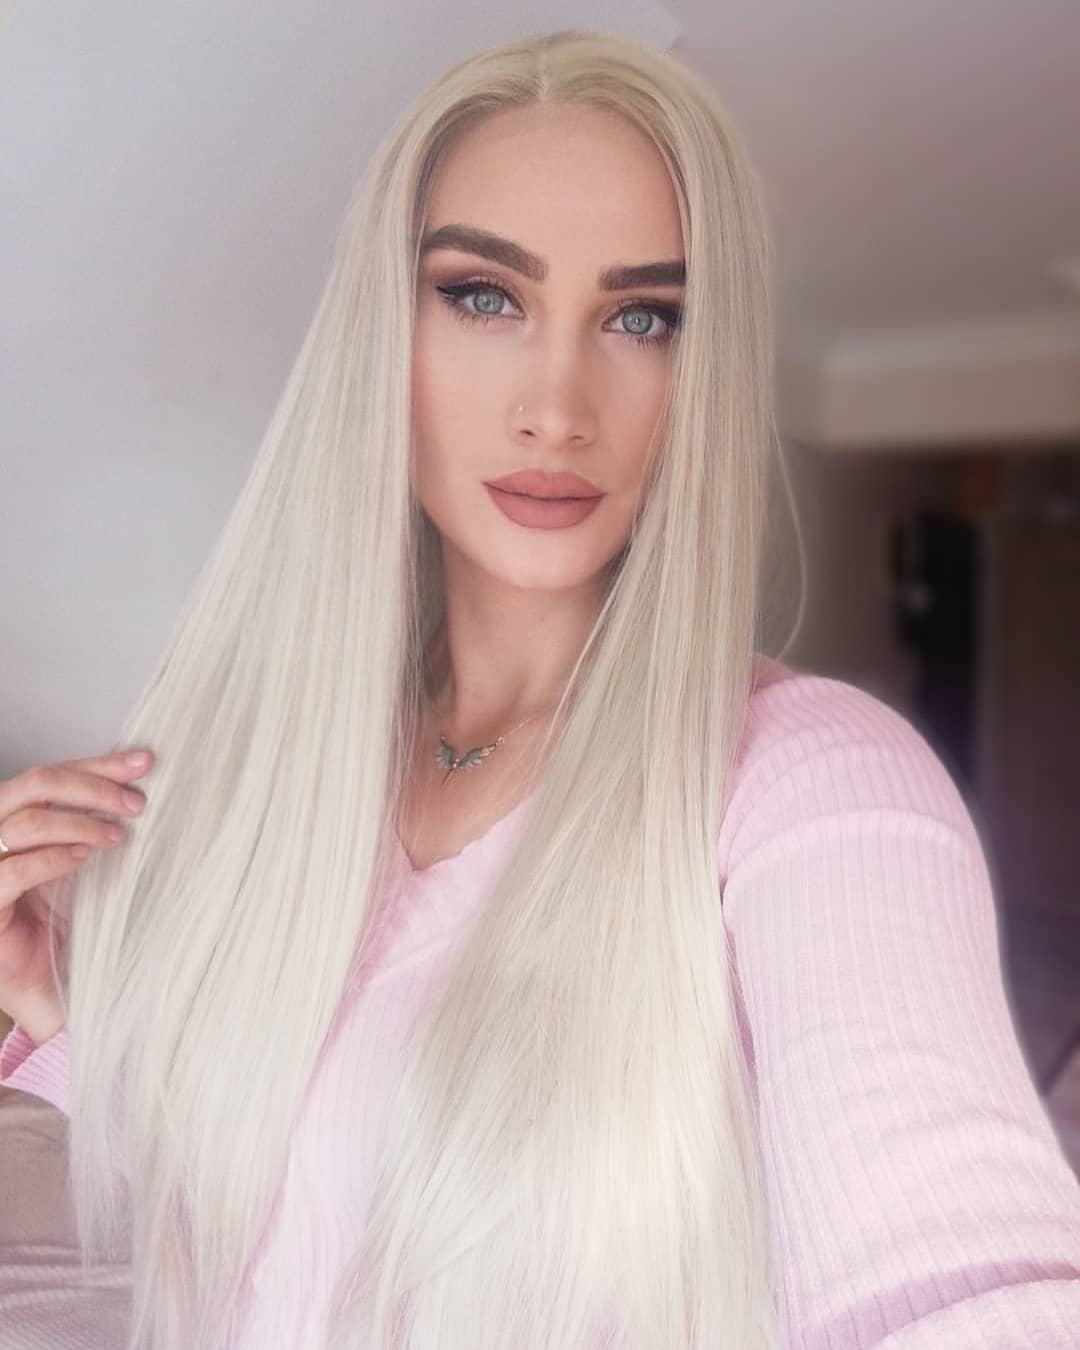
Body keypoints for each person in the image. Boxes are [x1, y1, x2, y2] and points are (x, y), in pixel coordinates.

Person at [2, 26, 1079, 1350]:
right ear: (382, 336)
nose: (557, 407)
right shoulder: (260, 776)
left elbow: (963, 1289)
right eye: (483, 296)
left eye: (643, 318)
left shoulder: (812, 785)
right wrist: (66, 1015)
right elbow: (243, 1229)